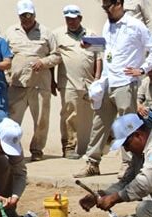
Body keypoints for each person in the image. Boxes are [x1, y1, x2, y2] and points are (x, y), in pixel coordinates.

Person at [75, 0, 152, 177]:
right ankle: (92, 162)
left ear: (118, 3)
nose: (106, 10)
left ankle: (129, 164)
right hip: (108, 81)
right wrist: (90, 44)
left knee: (127, 125)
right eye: (103, 7)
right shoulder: (108, 25)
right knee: (99, 124)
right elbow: (108, 47)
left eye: (108, 6)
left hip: (125, 82)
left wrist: (143, 69)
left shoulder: (135, 25)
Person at [5, 0, 58, 162]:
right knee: (13, 119)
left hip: (39, 83)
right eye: (23, 16)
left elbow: (57, 55)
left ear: (34, 14)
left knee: (41, 119)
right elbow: (5, 55)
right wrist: (7, 76)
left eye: (29, 15)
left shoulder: (46, 32)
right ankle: (12, 149)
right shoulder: (11, 32)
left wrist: (43, 62)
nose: (26, 19)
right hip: (17, 83)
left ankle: (37, 150)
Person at [52, 4, 99, 159]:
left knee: (98, 114)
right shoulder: (57, 34)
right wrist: (52, 80)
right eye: (68, 19)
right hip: (68, 83)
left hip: (89, 82)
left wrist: (98, 79)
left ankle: (98, 147)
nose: (70, 22)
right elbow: (53, 58)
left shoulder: (92, 34)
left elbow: (99, 58)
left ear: (80, 18)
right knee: (69, 115)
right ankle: (69, 147)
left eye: (73, 19)